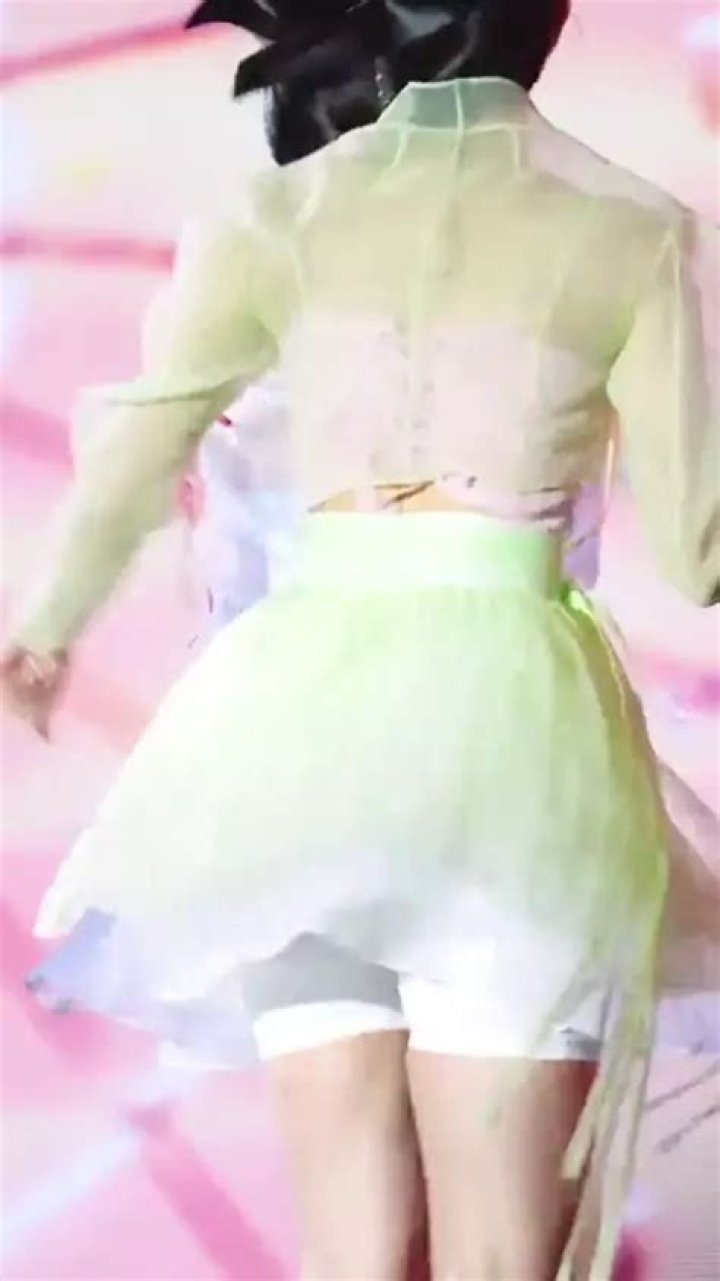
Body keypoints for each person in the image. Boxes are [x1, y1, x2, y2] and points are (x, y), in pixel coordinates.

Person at [3, 1, 718, 1277]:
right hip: (517, 743)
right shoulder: (630, 226)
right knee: (503, 1257)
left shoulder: (277, 214)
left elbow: (140, 442)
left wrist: (49, 624)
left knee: (350, 1245)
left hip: (293, 736)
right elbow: (699, 550)